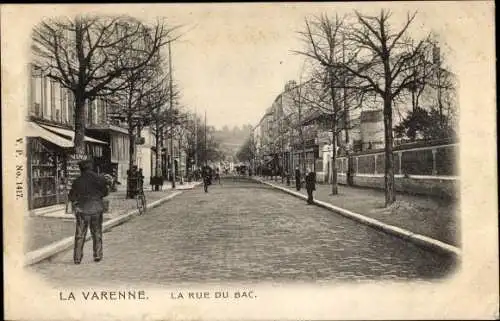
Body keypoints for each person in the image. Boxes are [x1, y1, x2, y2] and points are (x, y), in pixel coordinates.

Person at [69, 159, 109, 264]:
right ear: (91, 167)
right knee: (97, 233)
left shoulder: (77, 181)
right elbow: (105, 193)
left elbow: (72, 197)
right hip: (96, 209)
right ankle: (97, 255)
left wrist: (77, 202)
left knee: (80, 234)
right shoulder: (100, 179)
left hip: (82, 210)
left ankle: (77, 258)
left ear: (81, 169)